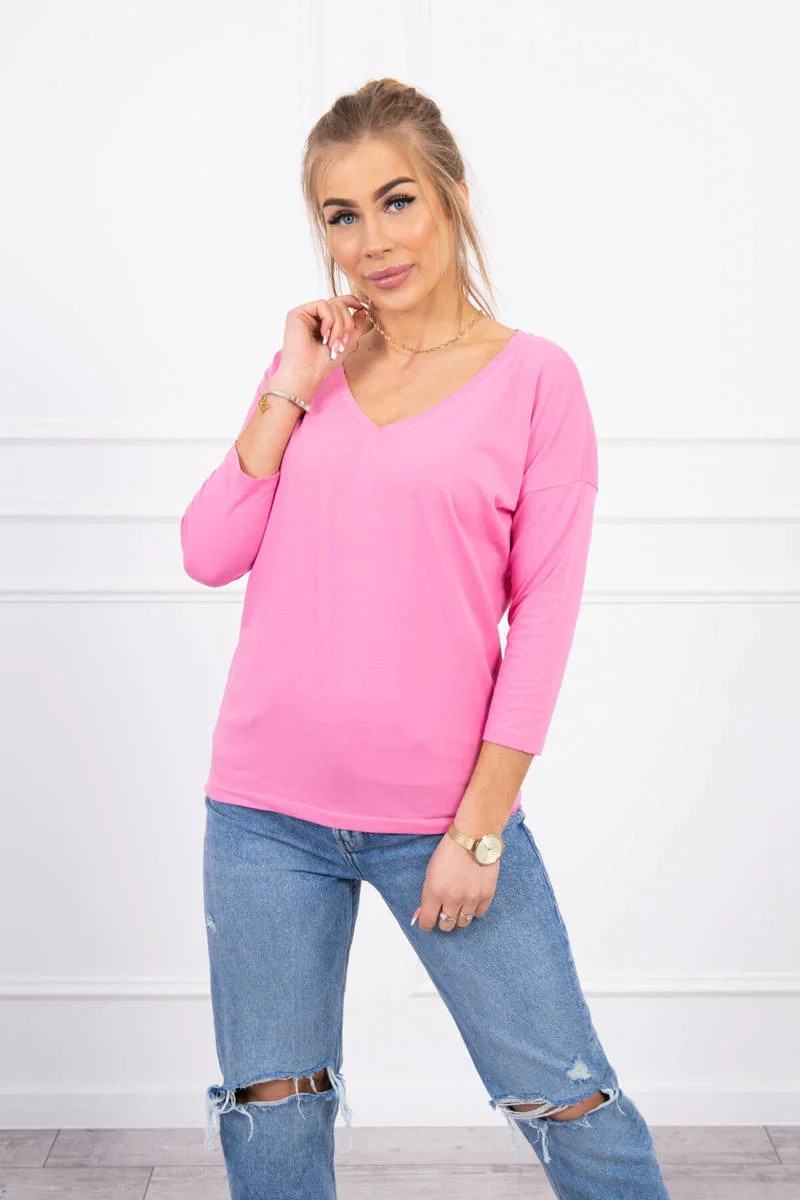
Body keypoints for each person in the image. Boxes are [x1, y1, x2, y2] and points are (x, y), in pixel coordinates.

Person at [181, 78, 672, 1200]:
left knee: (571, 1104)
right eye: (341, 215)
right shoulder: (310, 373)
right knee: (272, 1124)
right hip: (261, 815)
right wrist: (289, 385)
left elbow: (542, 620)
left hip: (438, 820)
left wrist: (481, 833)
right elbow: (209, 550)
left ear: (449, 195)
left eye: (396, 201)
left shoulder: (536, 379)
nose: (373, 241)